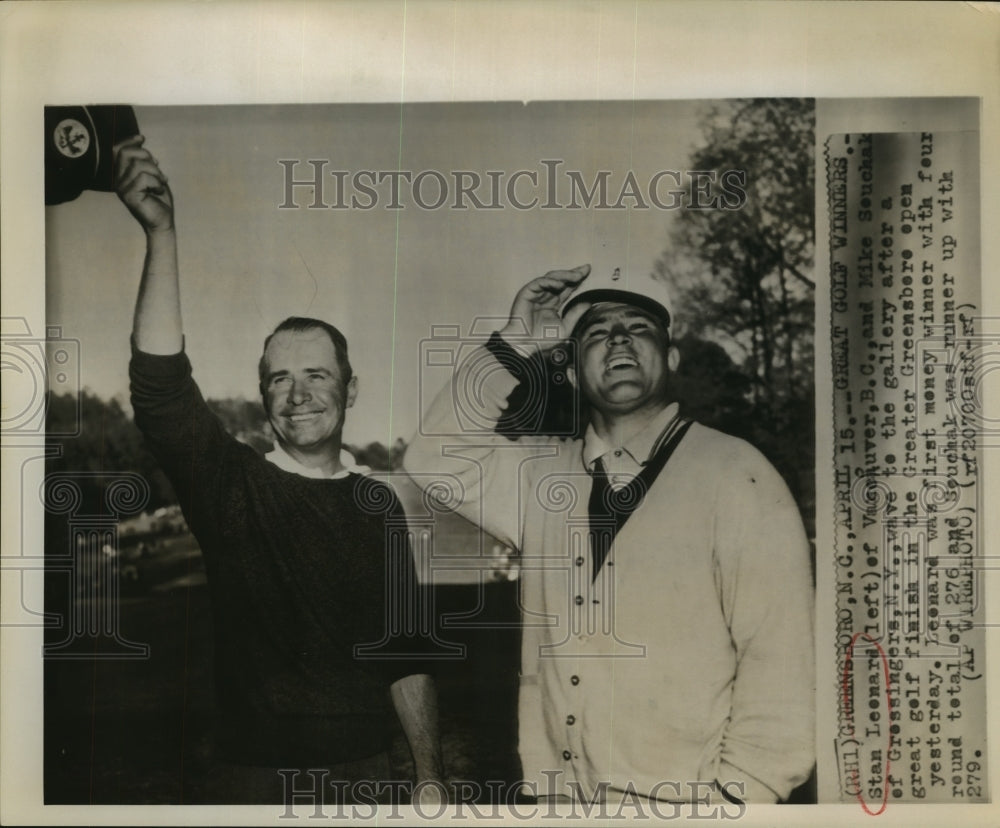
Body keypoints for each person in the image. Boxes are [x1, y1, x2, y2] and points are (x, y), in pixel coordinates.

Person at [404, 264, 814, 806]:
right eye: (596, 333)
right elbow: (435, 455)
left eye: (639, 327)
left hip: (690, 804)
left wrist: (738, 803)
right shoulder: (541, 478)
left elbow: (782, 666)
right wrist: (514, 341)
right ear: (574, 372)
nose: (617, 338)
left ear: (671, 359)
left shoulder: (739, 474)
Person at [115, 135, 444, 804]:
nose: (297, 397)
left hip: (367, 779)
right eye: (280, 380)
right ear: (262, 393)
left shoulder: (378, 506)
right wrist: (162, 234)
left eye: (317, 376)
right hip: (254, 784)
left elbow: (405, 653)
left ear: (351, 391)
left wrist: (430, 776)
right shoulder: (232, 485)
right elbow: (159, 390)